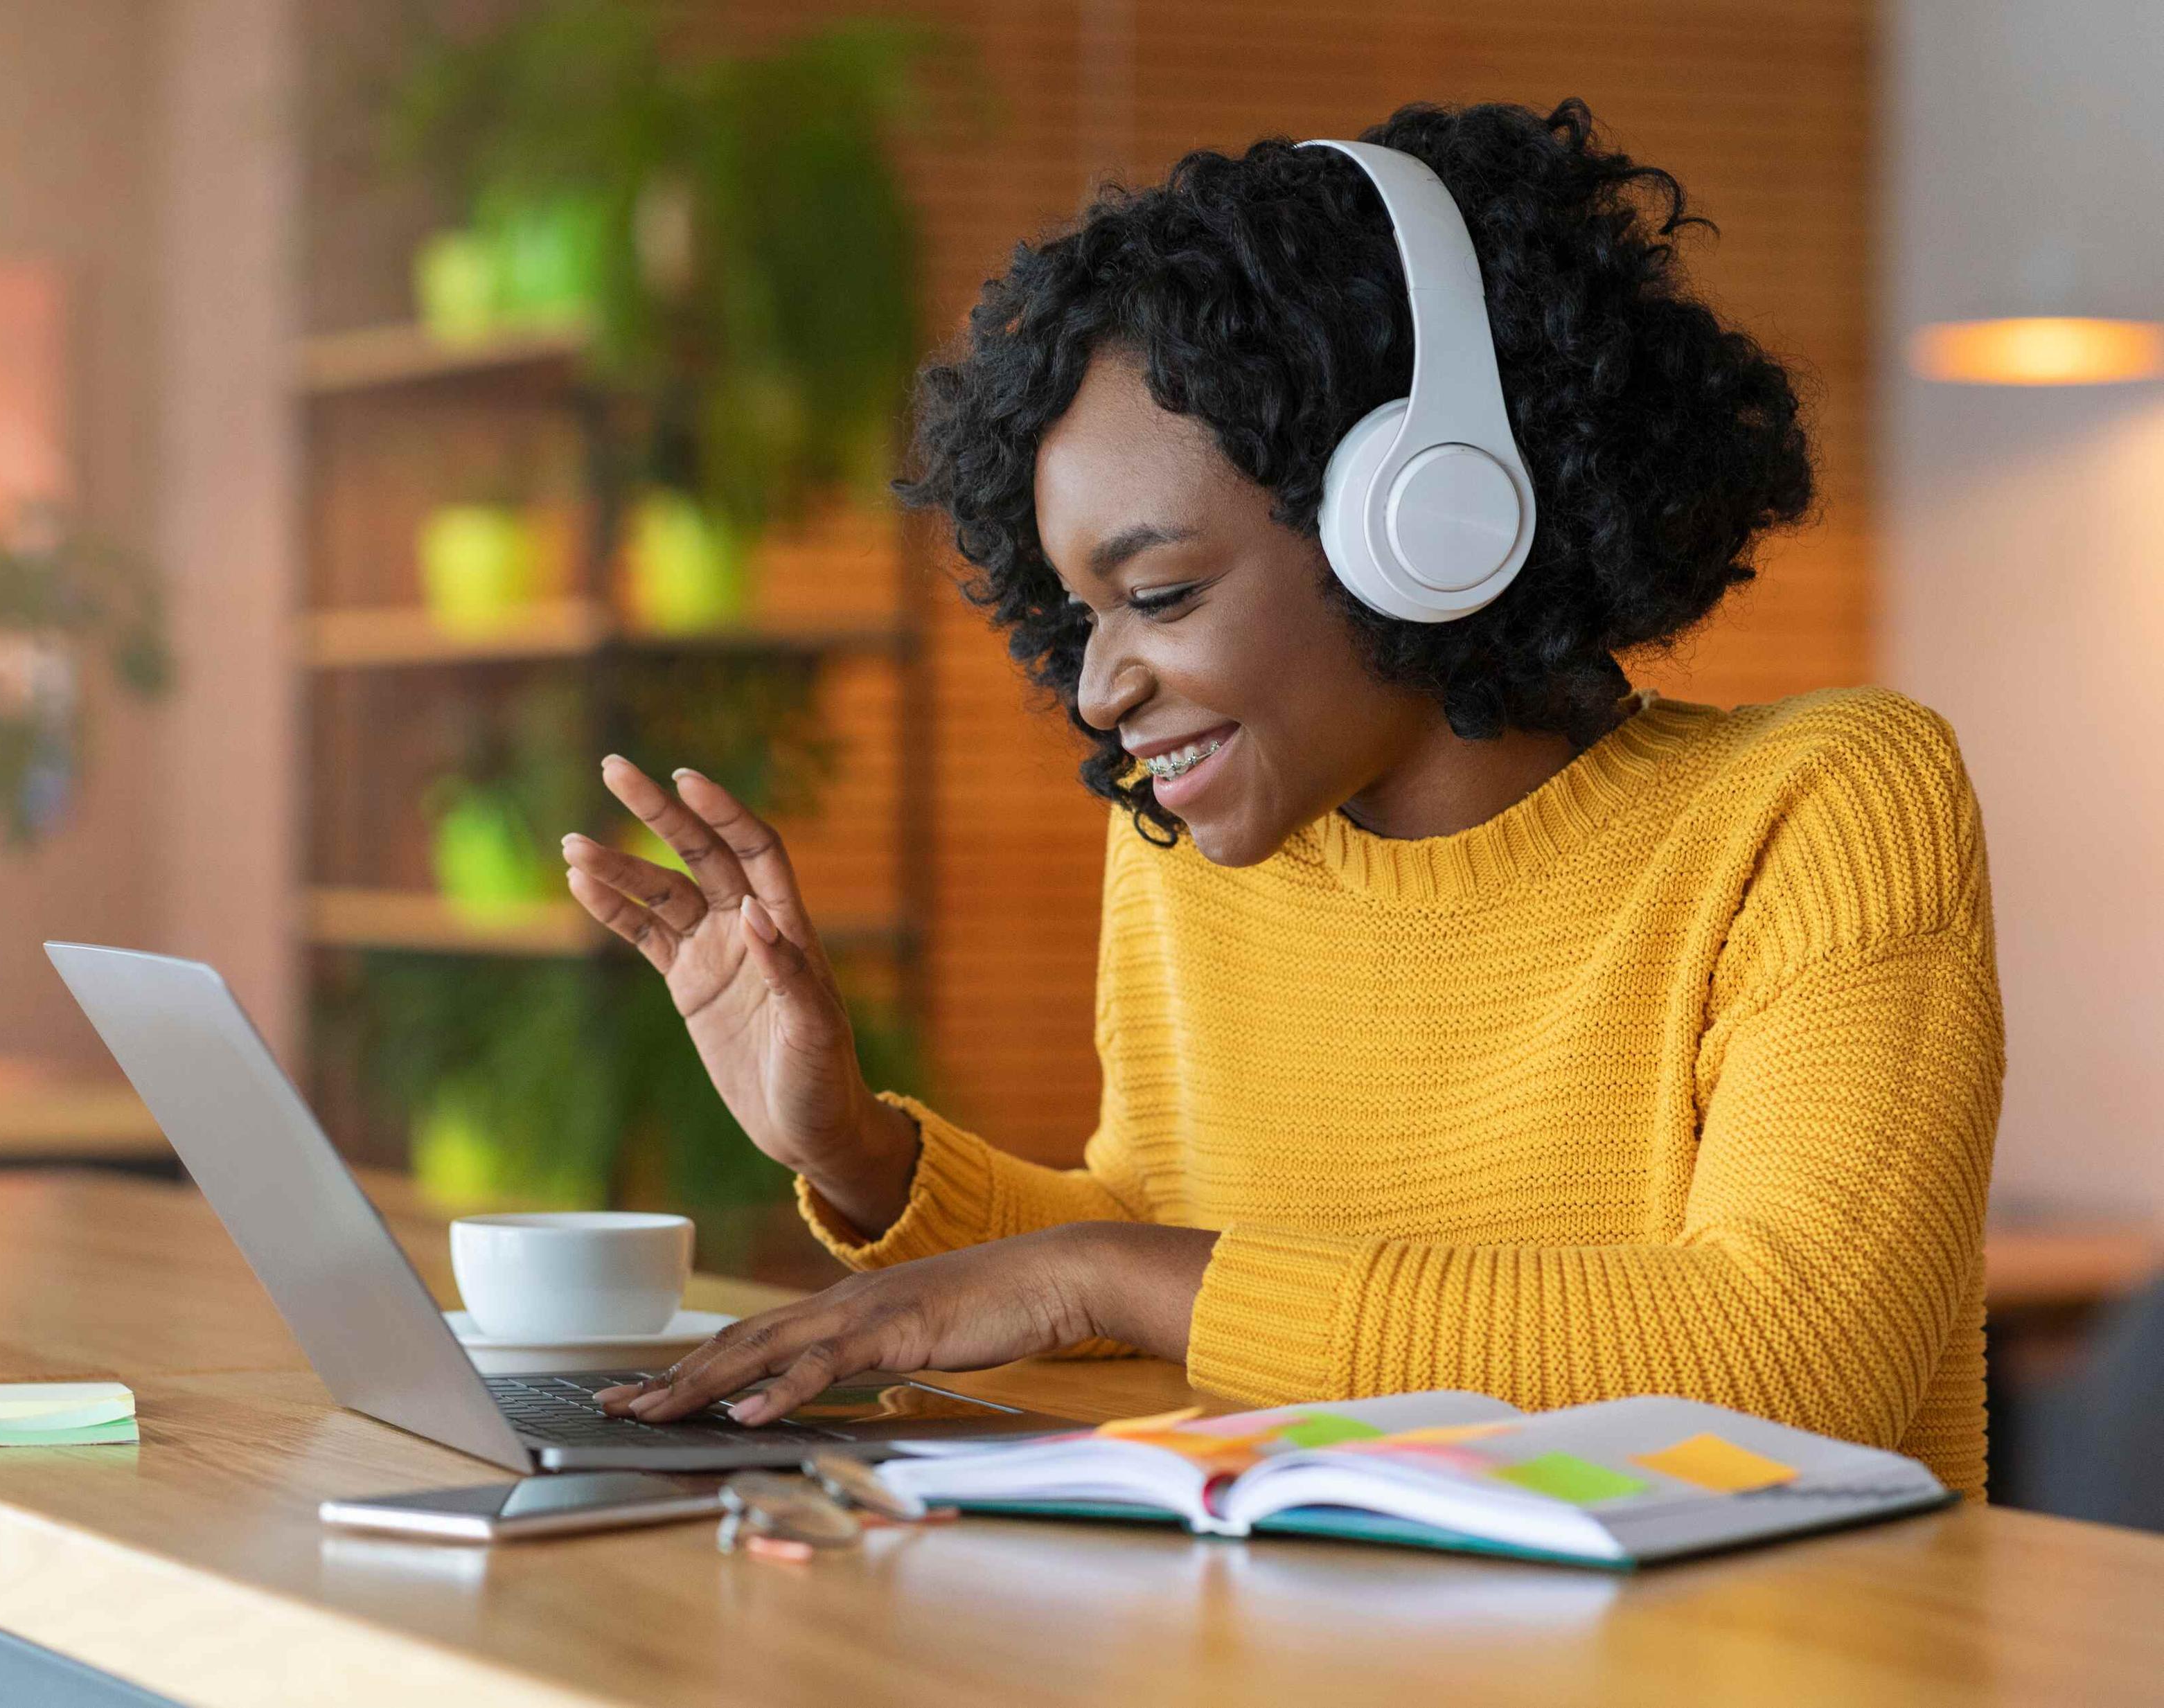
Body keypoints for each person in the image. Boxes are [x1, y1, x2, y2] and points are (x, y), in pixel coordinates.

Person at [559, 99, 2003, 1495]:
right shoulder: (1196, 854)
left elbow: (1801, 1364)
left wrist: (1105, 1275)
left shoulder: (1824, 808)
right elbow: (1156, 1244)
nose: (1099, 688)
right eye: (1082, 616)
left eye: (1162, 593)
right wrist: (856, 1151)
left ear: (1429, 517)